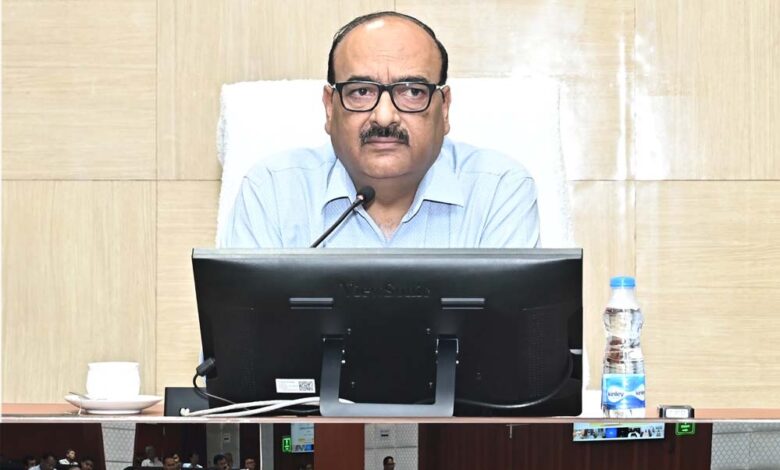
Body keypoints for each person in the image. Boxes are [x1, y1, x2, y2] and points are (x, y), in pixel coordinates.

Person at [227, 11, 539, 249]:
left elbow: (510, 317)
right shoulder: (273, 190)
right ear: (330, 107)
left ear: (444, 108)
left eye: (412, 92)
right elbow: (248, 315)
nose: (385, 116)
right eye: (361, 92)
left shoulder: (498, 189)